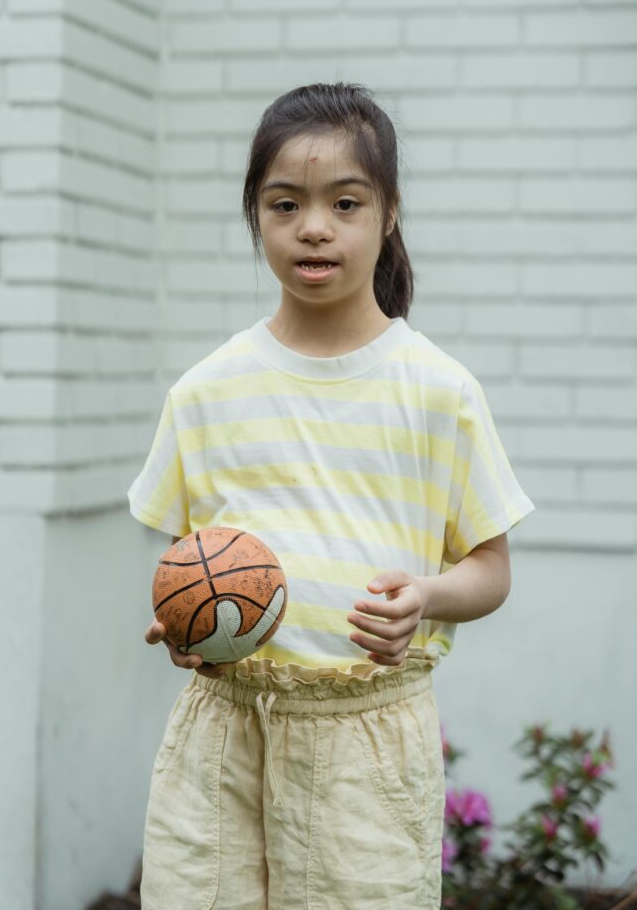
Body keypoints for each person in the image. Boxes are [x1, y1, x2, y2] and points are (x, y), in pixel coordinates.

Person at [127, 82, 535, 910]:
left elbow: (490, 568)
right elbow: (183, 561)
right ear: (257, 217)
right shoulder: (205, 393)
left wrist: (425, 597)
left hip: (368, 745)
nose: (314, 226)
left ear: (387, 215)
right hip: (223, 739)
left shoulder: (437, 391)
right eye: (285, 204)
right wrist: (183, 625)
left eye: (344, 203)